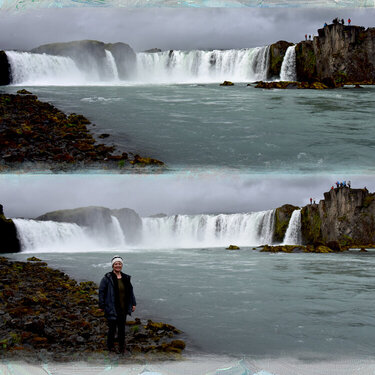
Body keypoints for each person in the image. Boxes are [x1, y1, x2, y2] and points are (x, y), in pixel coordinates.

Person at [99, 255, 136, 353]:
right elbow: (101, 291)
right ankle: (110, 346)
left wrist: (133, 303)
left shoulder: (126, 278)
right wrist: (101, 305)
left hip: (123, 307)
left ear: (122, 265)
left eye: (119, 264)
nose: (118, 265)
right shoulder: (107, 277)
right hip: (112, 307)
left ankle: (121, 346)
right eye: (116, 264)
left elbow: (130, 291)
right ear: (112, 265)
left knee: (121, 329)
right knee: (112, 328)